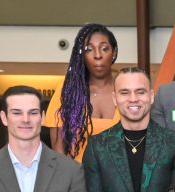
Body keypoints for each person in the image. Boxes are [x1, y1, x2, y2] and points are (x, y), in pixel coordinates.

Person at [47, 23, 120, 161]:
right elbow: (58, 150)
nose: (98, 55)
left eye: (104, 49)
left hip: (120, 180)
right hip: (77, 179)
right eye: (89, 50)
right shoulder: (67, 91)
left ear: (114, 52)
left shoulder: (126, 91)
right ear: (82, 55)